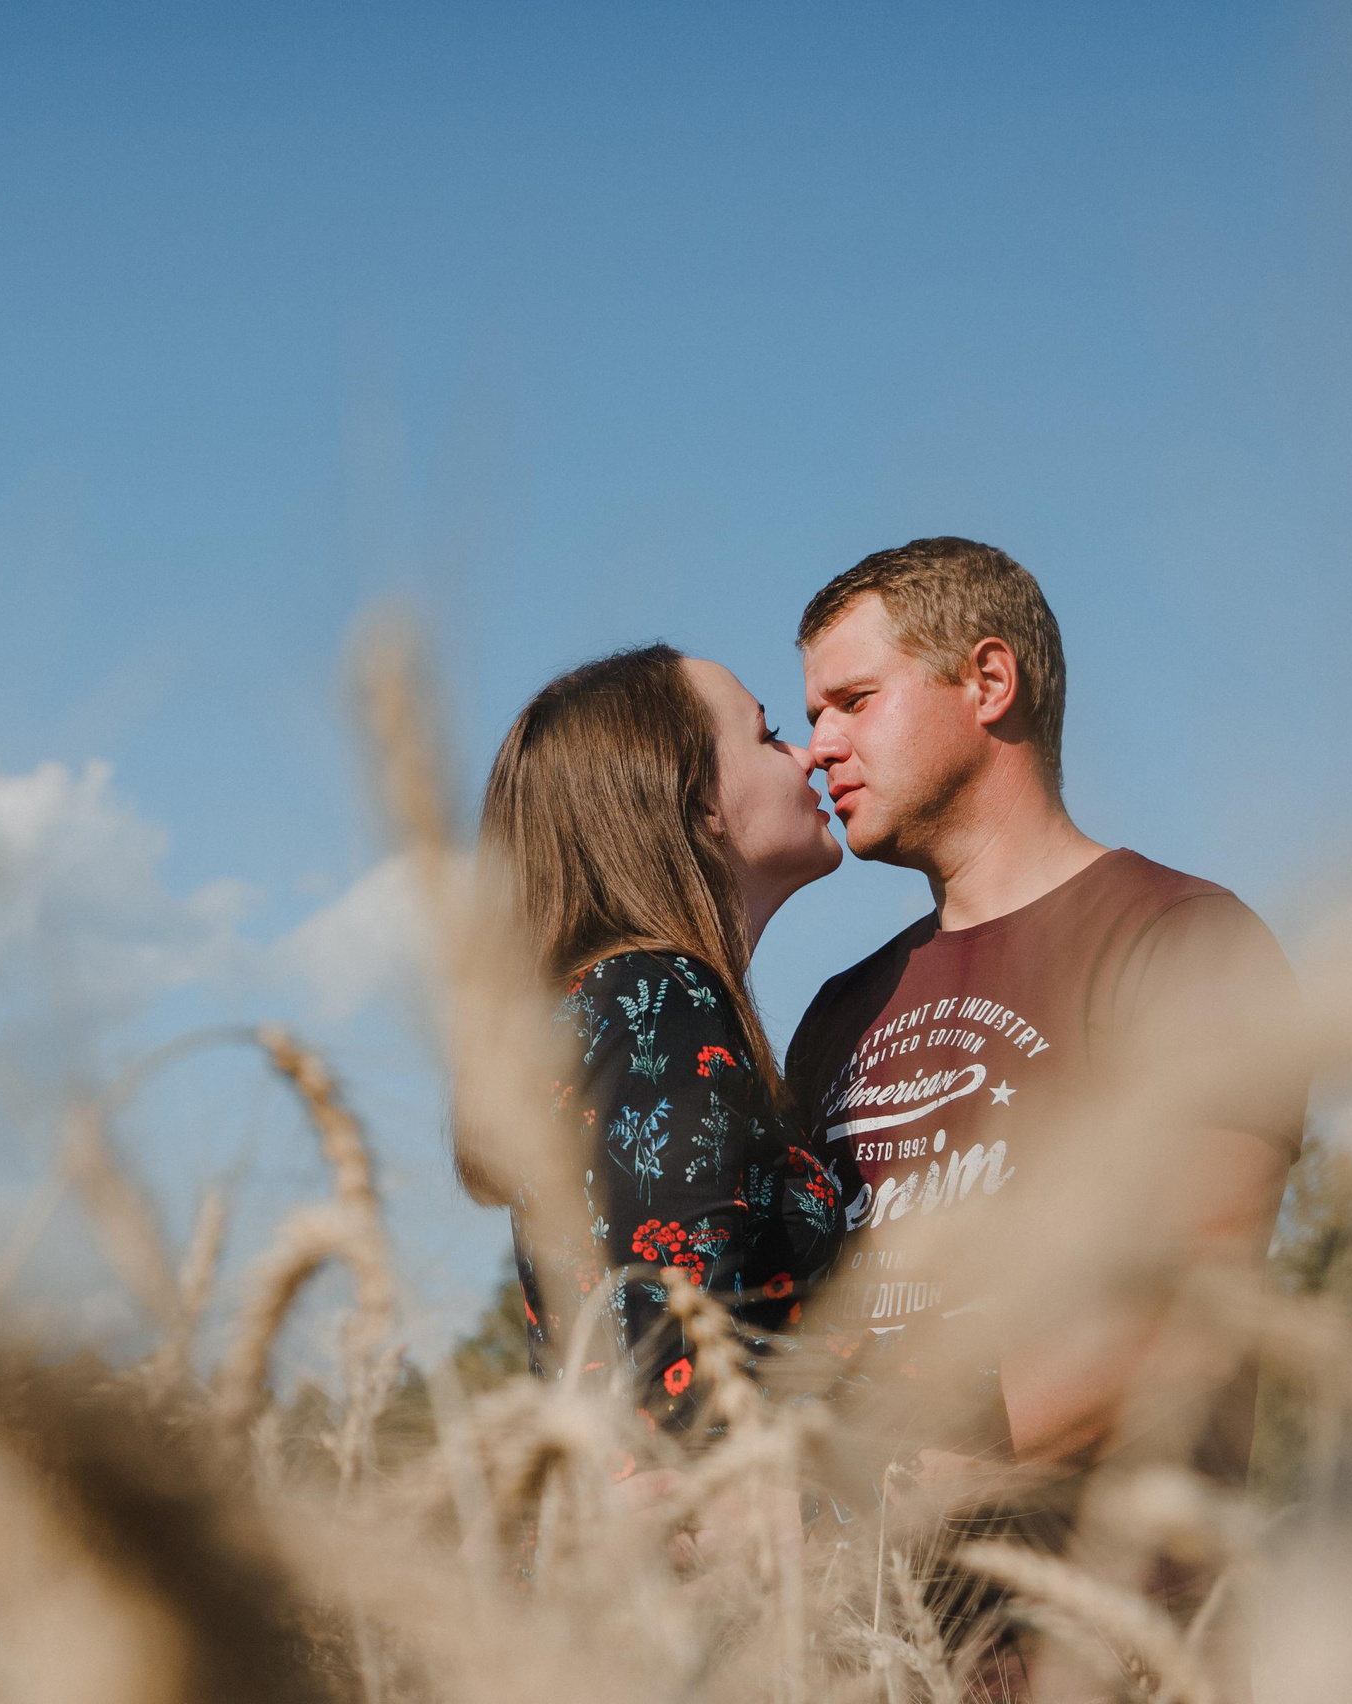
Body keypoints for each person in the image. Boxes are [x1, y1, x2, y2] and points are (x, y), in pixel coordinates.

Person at [780, 538, 1305, 1670]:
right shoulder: (834, 1014)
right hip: (872, 1663)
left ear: (987, 683)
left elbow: (1177, 1316)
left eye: (854, 701)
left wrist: (858, 1498)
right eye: (811, 714)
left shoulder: (1182, 942)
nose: (820, 747)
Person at [469, 643, 859, 1432]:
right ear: (700, 801)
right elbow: (676, 1373)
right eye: (768, 733)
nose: (809, 752)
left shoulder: (612, 1003)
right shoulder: (656, 996)